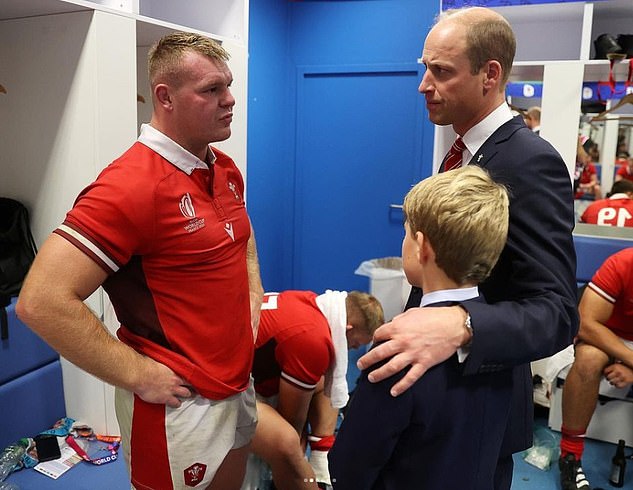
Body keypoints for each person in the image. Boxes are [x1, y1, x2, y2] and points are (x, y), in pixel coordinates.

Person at [16, 32, 263, 490]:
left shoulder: (222, 167)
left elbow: (239, 236)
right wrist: (139, 374)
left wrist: (253, 292)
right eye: (212, 90)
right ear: (165, 97)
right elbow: (42, 300)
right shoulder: (130, 185)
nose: (230, 100)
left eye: (228, 85)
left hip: (236, 385)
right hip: (177, 404)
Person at [356, 7, 578, 489]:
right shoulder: (463, 151)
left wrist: (462, 324)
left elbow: (558, 312)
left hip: (475, 405)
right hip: (428, 406)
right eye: (424, 67)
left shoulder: (529, 162)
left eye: (441, 71)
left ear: (490, 74)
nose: (423, 84)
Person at [329, 165, 512, 489]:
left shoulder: (399, 347)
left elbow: (350, 464)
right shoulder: (503, 337)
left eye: (405, 232)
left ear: (422, 247)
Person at [250, 289, 384, 490]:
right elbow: (291, 420)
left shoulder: (310, 301)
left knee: (324, 377)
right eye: (354, 344)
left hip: (248, 370)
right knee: (288, 445)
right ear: (348, 328)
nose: (352, 350)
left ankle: (322, 457)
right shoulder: (312, 338)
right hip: (225, 389)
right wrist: (297, 461)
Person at [558, 248, 633, 490]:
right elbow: (586, 324)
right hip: (607, 334)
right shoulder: (623, 263)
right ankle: (570, 455)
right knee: (588, 360)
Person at [574, 136, 602, 200]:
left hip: (583, 187)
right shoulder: (574, 161)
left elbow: (594, 181)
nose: (588, 158)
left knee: (597, 188)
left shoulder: (589, 166)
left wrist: (586, 186)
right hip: (575, 187)